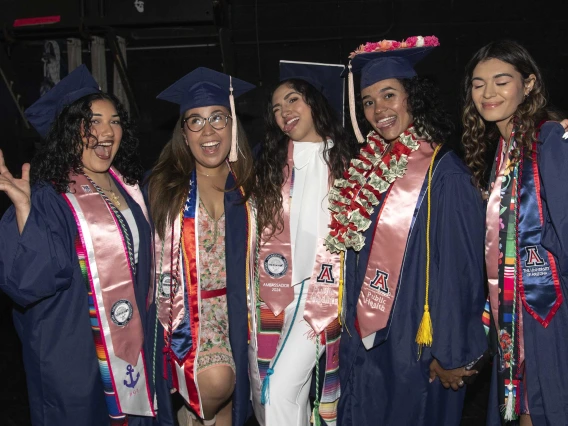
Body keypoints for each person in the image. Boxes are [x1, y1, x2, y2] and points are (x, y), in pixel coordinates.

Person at [0, 65, 173, 426]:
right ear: (69, 134)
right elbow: (29, 283)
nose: (106, 131)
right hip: (75, 349)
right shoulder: (50, 197)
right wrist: (23, 210)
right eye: (91, 121)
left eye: (114, 120)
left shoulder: (129, 189)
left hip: (133, 346)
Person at [328, 36, 487, 425]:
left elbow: (460, 274)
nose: (378, 109)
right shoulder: (371, 172)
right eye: (368, 101)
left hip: (416, 346)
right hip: (367, 347)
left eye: (389, 95)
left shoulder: (445, 175)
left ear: (413, 97)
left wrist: (452, 353)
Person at [462, 40, 568, 426]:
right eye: (478, 83)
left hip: (550, 312)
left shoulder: (550, 139)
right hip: (516, 317)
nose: (488, 93)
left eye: (501, 81)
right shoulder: (504, 152)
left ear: (529, 85)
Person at [247, 60, 358, 426]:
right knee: (270, 394)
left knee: (279, 389)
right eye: (277, 108)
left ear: (315, 102)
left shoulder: (349, 162)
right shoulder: (272, 163)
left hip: (322, 296)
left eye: (292, 100)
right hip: (277, 293)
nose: (284, 113)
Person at [147, 67, 255, 426]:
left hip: (243, 311)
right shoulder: (162, 186)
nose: (208, 131)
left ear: (233, 123)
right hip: (188, 317)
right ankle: (188, 411)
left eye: (217, 118)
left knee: (230, 407)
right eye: (195, 121)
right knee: (218, 382)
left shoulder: (250, 185)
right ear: (183, 132)